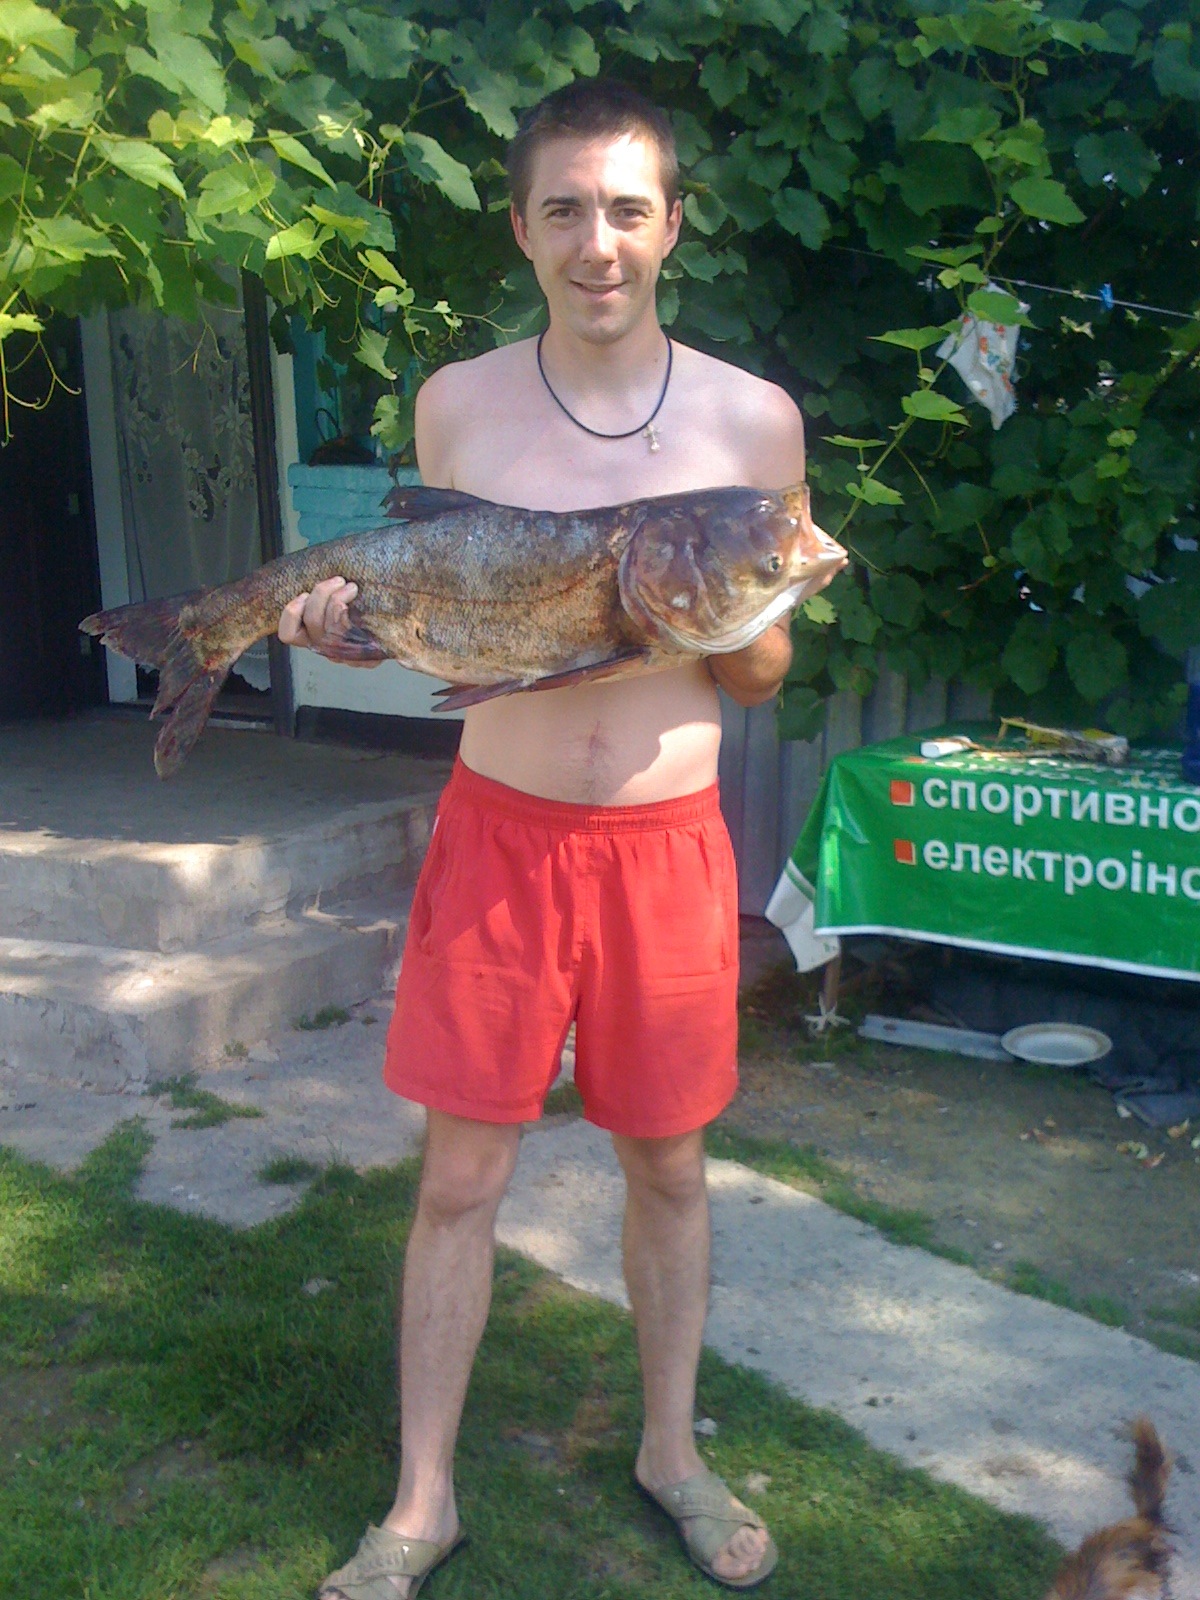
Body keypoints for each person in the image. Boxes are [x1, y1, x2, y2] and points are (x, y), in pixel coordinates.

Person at [279, 79, 841, 1599]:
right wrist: (348, 627)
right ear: (524, 231)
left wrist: (733, 614)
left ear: (674, 225)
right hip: (501, 841)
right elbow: (441, 621)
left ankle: (670, 1454)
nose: (601, 242)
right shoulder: (460, 404)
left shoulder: (753, 421)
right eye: (567, 211)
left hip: (665, 849)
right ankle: (423, 1501)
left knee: (670, 1169)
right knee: (461, 1179)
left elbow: (762, 674)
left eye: (628, 210)